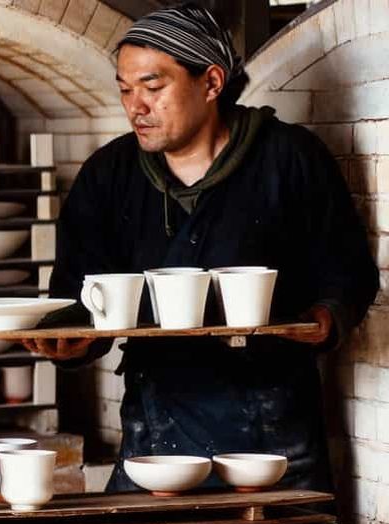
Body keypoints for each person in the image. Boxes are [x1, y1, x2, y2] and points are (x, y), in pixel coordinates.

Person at [22, 3, 378, 493]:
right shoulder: (109, 175)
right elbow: (79, 293)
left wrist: (326, 317)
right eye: (125, 90)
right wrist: (70, 340)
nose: (135, 107)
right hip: (155, 426)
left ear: (211, 83)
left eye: (152, 87)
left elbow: (348, 266)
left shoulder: (288, 158)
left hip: (274, 428)